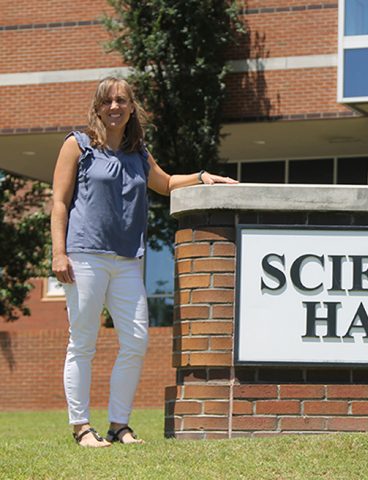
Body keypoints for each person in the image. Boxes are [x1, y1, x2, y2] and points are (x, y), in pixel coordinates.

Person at [51, 77, 238, 447]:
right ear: (98, 107)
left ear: (132, 107)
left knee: (136, 340)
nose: (115, 106)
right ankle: (81, 427)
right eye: (108, 101)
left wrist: (202, 177)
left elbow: (166, 184)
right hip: (85, 255)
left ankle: (119, 425)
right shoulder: (79, 145)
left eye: (122, 100)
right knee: (83, 341)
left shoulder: (138, 152)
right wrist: (58, 253)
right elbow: (59, 201)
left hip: (127, 260)